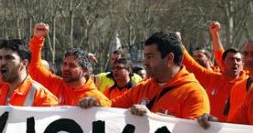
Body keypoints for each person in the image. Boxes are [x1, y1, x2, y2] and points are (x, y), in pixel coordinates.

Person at [79, 32, 210, 121]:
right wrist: (96, 102)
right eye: (145, 57)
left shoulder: (194, 94)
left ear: (169, 58)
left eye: (150, 57)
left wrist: (153, 120)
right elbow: (113, 106)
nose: (145, 62)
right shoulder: (143, 87)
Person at [29, 23, 111, 107]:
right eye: (64, 64)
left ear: (85, 70)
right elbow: (34, 68)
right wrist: (37, 38)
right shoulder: (56, 84)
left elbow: (109, 107)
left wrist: (97, 103)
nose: (66, 68)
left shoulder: (95, 98)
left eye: (72, 65)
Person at [182, 37, 247, 121]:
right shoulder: (213, 78)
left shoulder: (248, 85)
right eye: (231, 59)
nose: (235, 62)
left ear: (242, 64)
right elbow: (192, 66)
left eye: (238, 60)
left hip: (238, 132)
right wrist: (179, 46)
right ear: (223, 62)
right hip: (210, 130)